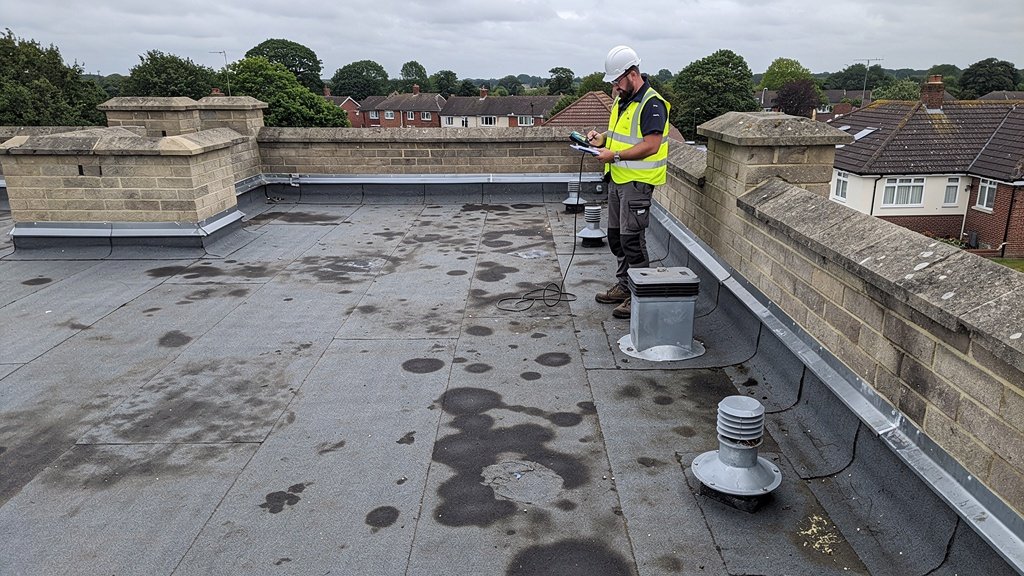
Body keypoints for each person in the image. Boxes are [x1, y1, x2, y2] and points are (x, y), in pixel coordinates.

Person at [586, 45, 671, 319]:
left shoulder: (652, 103)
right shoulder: (622, 100)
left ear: (632, 74)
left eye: (617, 81)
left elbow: (651, 145)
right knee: (616, 238)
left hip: (638, 183)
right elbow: (618, 135)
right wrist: (601, 139)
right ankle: (624, 285)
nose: (615, 87)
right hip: (618, 179)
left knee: (632, 241)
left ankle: (639, 296)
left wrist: (615, 155)